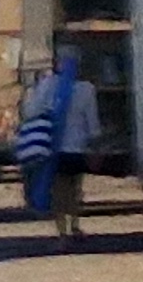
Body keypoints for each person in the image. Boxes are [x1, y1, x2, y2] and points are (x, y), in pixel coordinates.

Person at [16, 48, 98, 245]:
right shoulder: (87, 89)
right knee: (75, 189)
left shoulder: (48, 85)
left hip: (53, 148)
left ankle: (62, 233)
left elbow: (31, 111)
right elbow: (93, 123)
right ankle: (75, 225)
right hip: (77, 149)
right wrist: (95, 141)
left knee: (59, 192)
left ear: (58, 63)